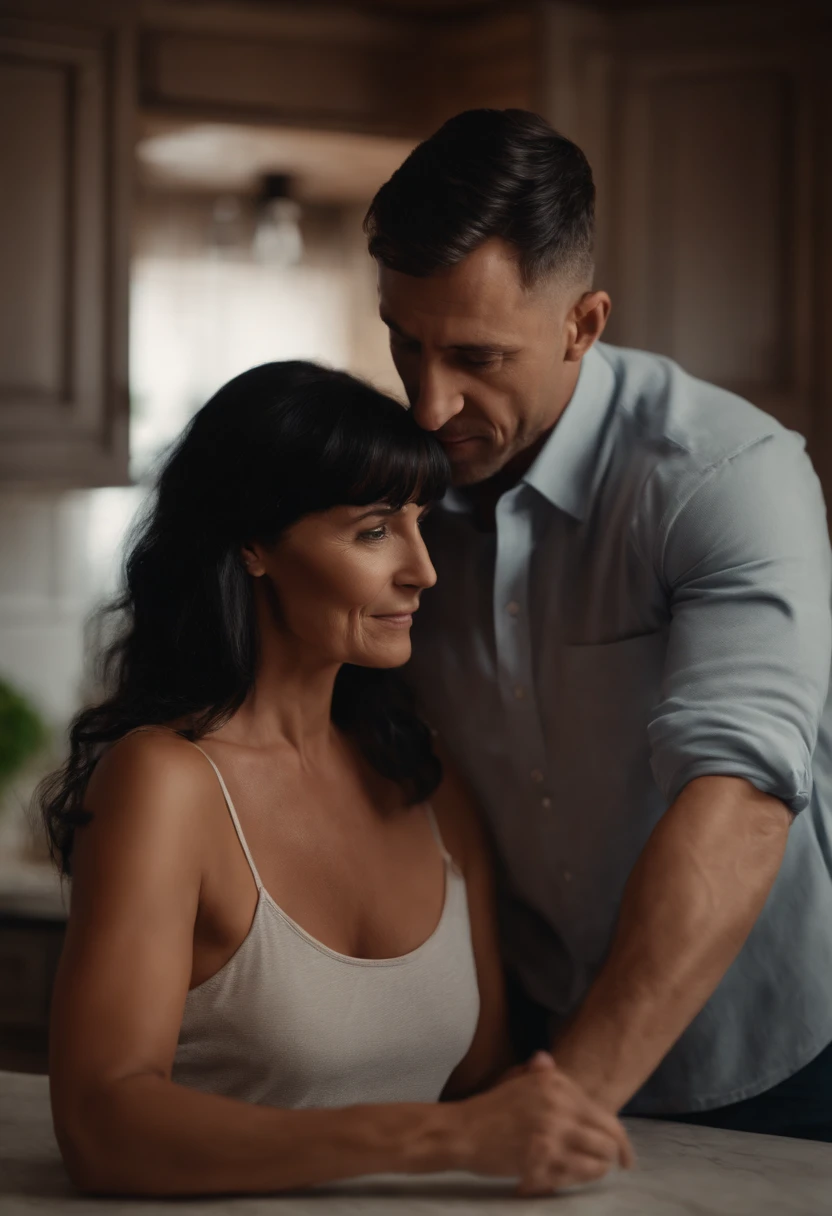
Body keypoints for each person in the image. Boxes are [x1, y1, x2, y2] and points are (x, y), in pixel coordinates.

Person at [40, 361, 632, 1198]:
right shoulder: (165, 783)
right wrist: (433, 1138)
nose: (423, 569)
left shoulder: (426, 783)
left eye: (421, 523)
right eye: (374, 530)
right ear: (253, 544)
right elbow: (103, 1125)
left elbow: (480, 1083)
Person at [364, 108, 832, 1141]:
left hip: (775, 1053)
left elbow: (741, 797)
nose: (431, 403)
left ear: (583, 323)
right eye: (405, 342)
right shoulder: (396, 489)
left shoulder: (727, 475)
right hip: (530, 1027)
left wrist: (561, 1105)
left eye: (477, 356)